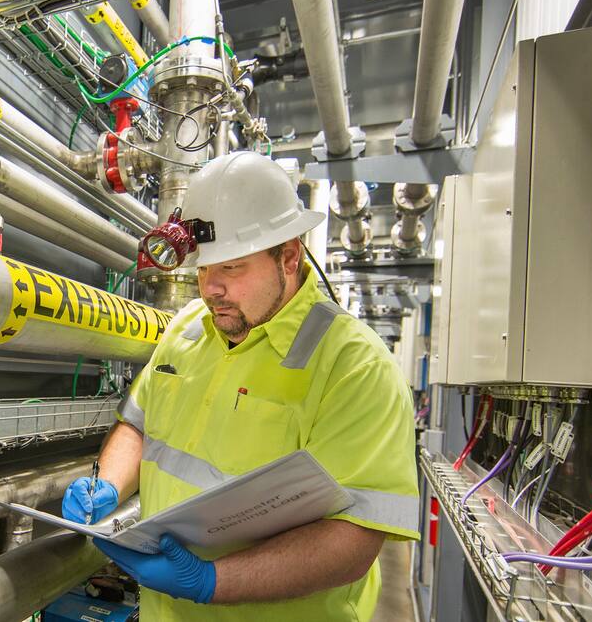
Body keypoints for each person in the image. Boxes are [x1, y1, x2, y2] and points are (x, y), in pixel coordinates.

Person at [62, 151, 419, 620]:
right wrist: (106, 483)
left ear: (288, 256)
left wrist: (211, 581)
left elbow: (355, 539)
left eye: (231, 267)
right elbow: (137, 425)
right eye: (203, 268)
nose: (210, 289)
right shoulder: (188, 327)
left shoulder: (356, 367)